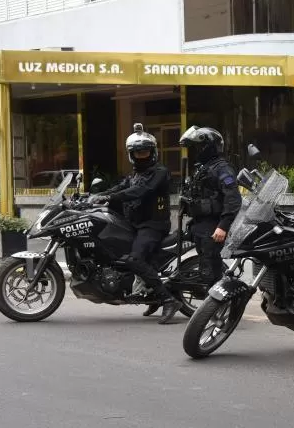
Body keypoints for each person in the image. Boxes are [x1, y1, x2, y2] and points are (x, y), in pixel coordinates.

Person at [93, 123, 182, 324]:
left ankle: (168, 300)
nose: (142, 156)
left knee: (134, 259)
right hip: (134, 223)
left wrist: (111, 197)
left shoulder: (160, 172)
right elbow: (122, 186)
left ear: (153, 152)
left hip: (152, 225)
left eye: (145, 152)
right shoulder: (135, 174)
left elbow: (141, 191)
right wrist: (96, 196)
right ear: (131, 155)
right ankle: (150, 295)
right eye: (138, 153)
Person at [177, 125, 243, 290]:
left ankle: (216, 310)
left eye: (199, 147)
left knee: (210, 271)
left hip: (213, 227)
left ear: (209, 147)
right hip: (200, 225)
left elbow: (233, 199)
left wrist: (223, 225)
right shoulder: (203, 168)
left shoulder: (222, 169)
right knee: (204, 268)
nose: (196, 151)